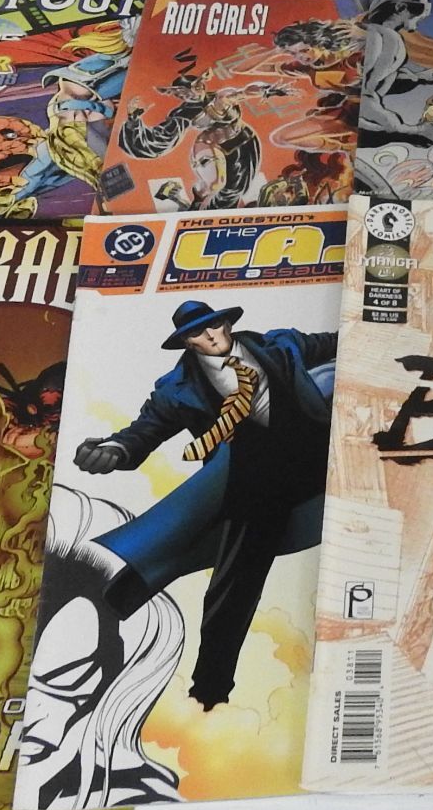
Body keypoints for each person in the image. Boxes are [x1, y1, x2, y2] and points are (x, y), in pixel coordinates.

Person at [71, 298, 335, 709]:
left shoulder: (282, 344)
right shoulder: (176, 388)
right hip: (254, 486)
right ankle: (209, 690)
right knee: (232, 586)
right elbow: (144, 431)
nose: (211, 336)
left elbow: (344, 342)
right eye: (197, 332)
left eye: (214, 325)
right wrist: (115, 451)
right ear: (186, 343)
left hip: (321, 457)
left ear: (227, 324)